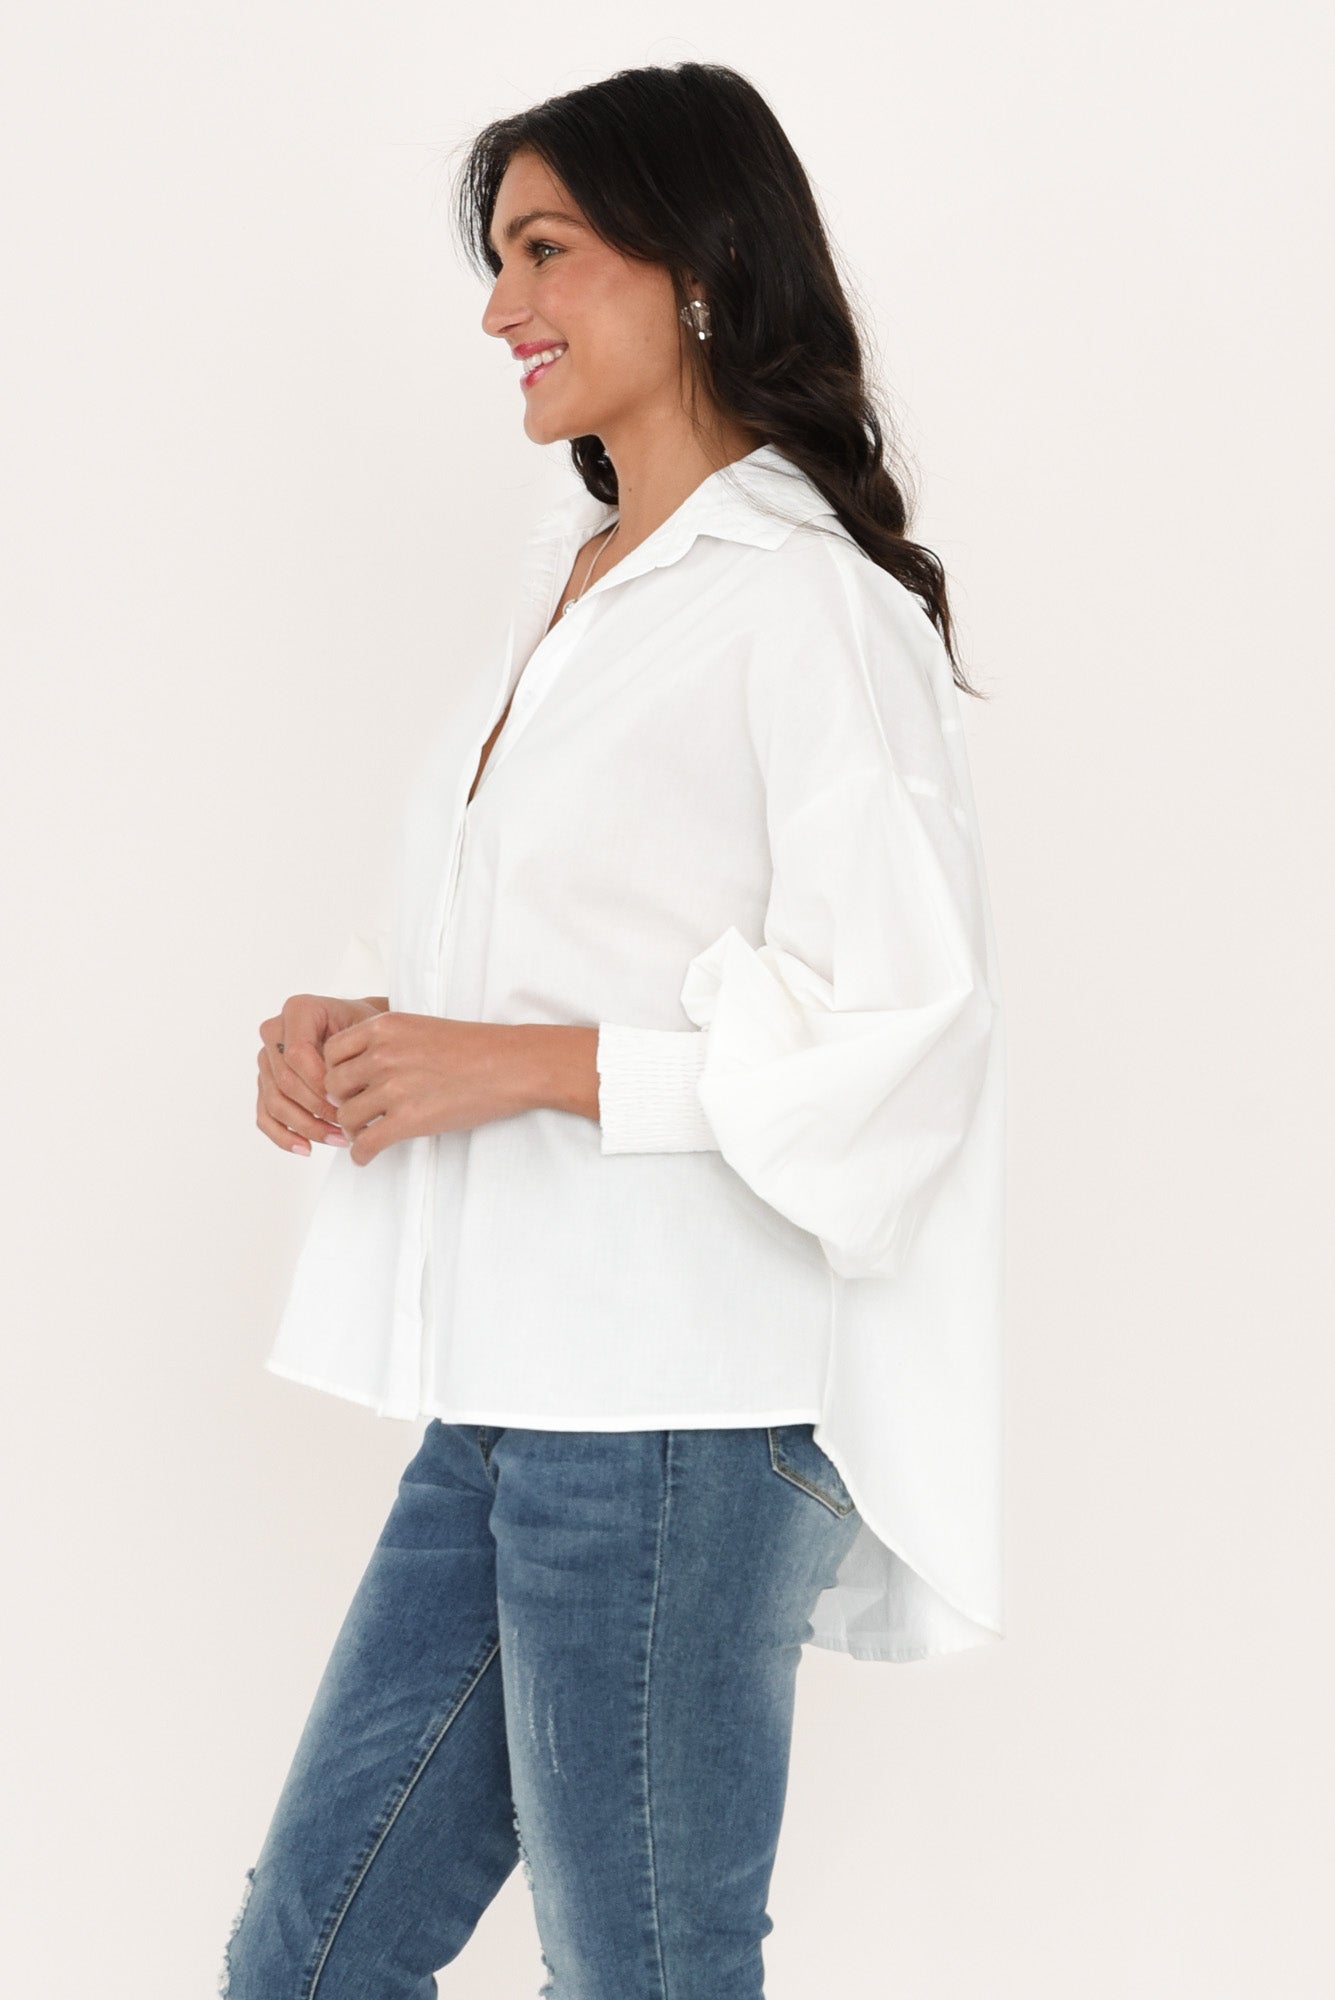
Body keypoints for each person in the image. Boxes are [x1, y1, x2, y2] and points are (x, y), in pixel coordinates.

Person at [228, 59, 1006, 2000]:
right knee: (307, 1958)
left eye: (546, 252)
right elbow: (550, 936)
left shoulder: (806, 608)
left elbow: (901, 1040)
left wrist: (525, 1067)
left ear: (698, 267)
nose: (501, 307)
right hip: (505, 1391)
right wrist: (360, 1028)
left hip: (678, 1408)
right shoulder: (578, 588)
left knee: (643, 1972)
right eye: (498, 261)